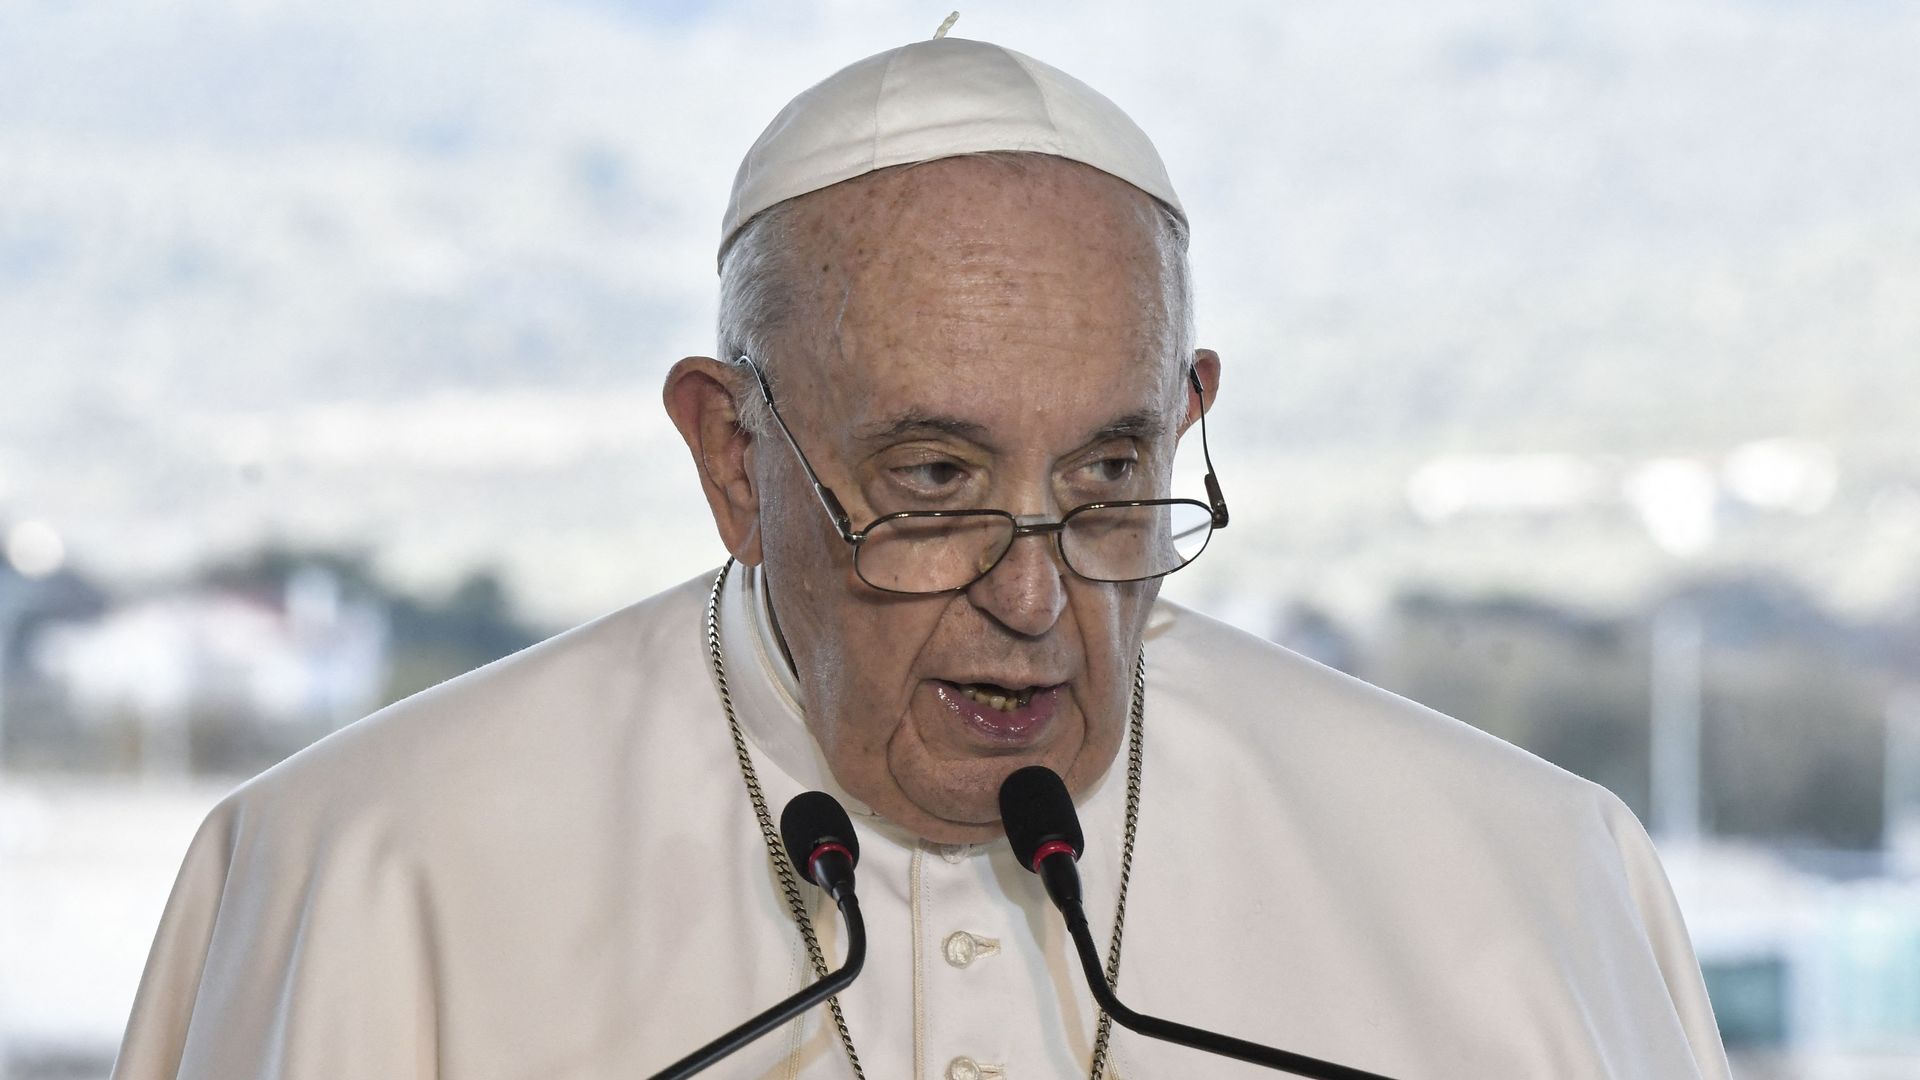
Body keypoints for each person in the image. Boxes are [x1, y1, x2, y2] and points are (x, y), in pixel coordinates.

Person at [112, 33, 1731, 1080]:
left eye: (1109, 476)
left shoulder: (1525, 876)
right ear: (733, 458)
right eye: (937, 482)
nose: (1033, 601)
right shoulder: (367, 871)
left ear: (1190, 417)